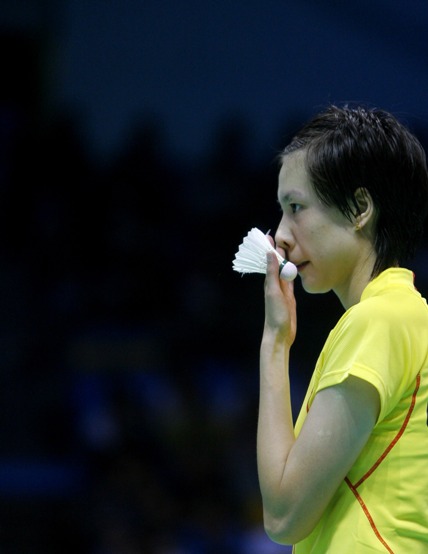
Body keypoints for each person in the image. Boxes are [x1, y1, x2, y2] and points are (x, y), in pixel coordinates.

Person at [257, 105, 428, 553]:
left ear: (359, 208)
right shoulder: (401, 315)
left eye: (296, 208)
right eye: (281, 212)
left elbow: (283, 514)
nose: (280, 237)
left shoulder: (379, 320)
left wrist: (275, 344)